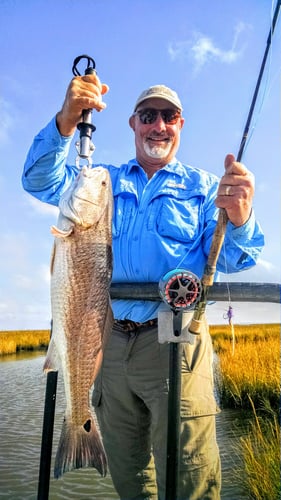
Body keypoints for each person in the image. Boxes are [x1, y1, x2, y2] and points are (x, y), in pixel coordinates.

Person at [22, 72, 264, 500]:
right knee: (129, 471)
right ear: (133, 124)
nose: (159, 125)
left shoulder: (206, 188)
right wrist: (64, 123)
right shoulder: (101, 182)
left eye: (168, 116)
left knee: (187, 471)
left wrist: (240, 218)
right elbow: (39, 181)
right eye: (148, 115)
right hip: (106, 343)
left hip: (175, 345)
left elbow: (234, 258)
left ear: (181, 124)